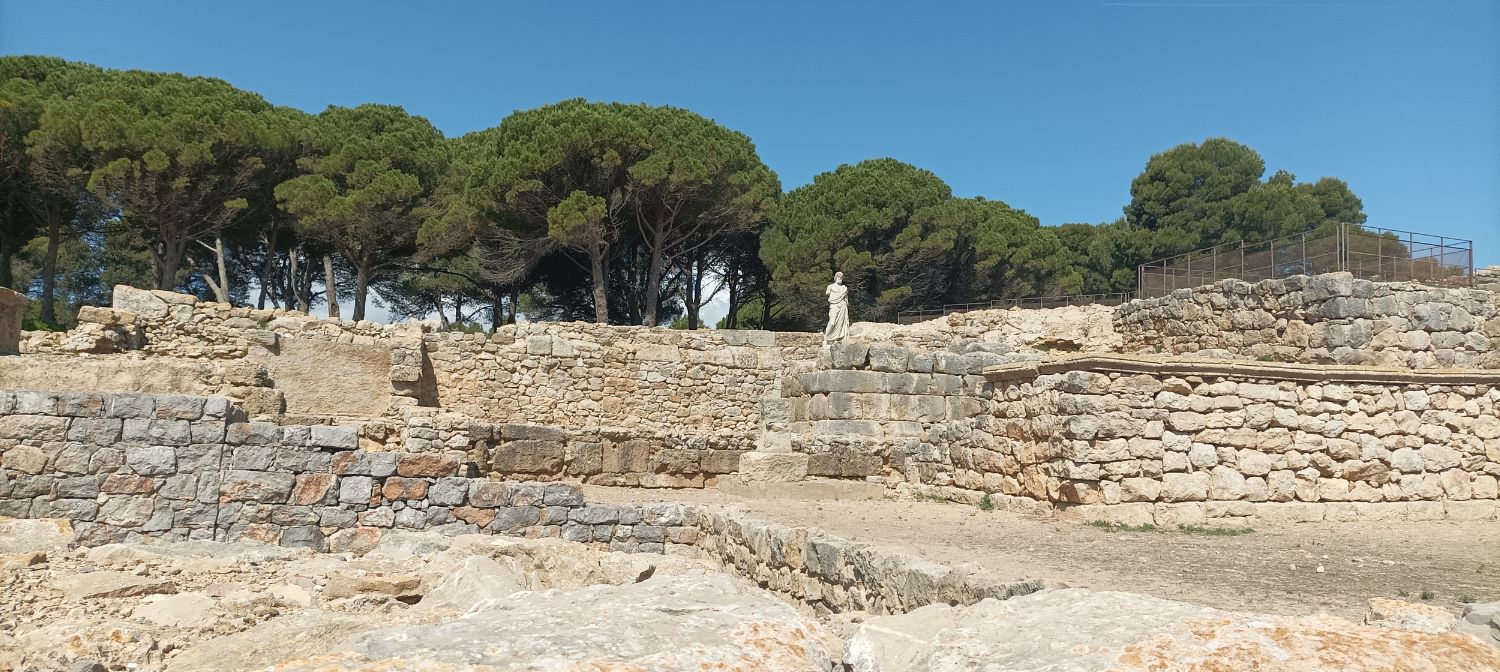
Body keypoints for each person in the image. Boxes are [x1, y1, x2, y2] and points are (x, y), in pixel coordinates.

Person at [824, 271, 849, 344]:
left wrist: (846, 304)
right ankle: (826, 338)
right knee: (832, 322)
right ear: (835, 278)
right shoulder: (830, 286)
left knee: (840, 324)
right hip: (834, 306)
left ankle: (836, 339)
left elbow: (846, 299)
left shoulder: (844, 288)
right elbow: (827, 293)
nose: (840, 278)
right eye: (838, 276)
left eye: (841, 277)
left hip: (842, 306)